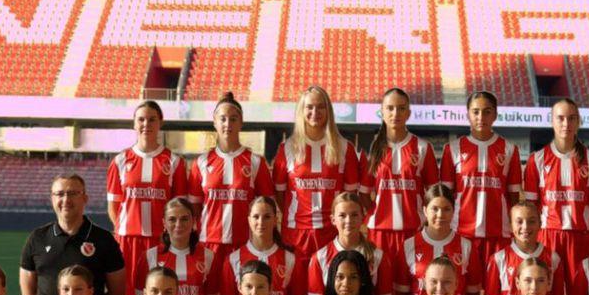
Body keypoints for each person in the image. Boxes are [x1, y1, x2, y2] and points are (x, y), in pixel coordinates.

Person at [107, 100, 188, 295]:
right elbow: (114, 207)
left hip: (160, 241)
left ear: (160, 123)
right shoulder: (120, 161)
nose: (146, 124)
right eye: (141, 119)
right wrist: (124, 232)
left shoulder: (174, 162)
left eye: (152, 119)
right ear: (134, 124)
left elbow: (179, 208)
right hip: (128, 242)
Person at [524, 98, 589, 295]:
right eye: (560, 118)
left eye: (571, 118)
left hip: (581, 238)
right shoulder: (537, 159)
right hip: (548, 237)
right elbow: (532, 207)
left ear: (578, 122)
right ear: (552, 121)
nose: (566, 124)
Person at [20, 173, 125, 295]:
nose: (66, 199)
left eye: (73, 193)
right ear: (52, 199)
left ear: (85, 198)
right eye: (60, 194)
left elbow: (117, 291)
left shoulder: (104, 239)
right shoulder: (37, 238)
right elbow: (28, 292)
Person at [273, 86, 362, 259]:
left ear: (328, 111)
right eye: (310, 107)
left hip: (332, 233)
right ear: (302, 110)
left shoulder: (345, 148)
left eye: (321, 107)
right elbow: (279, 194)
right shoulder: (287, 148)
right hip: (295, 234)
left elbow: (349, 196)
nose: (315, 112)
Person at [188, 92, 274, 260]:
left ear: (241, 122)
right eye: (223, 119)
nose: (228, 124)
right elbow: (194, 209)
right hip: (208, 244)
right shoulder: (201, 162)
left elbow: (267, 207)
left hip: (245, 244)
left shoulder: (256, 162)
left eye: (233, 119)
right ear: (214, 122)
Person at [440, 91, 522, 265]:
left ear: (495, 115)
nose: (481, 117)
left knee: (496, 282)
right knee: (462, 281)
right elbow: (446, 196)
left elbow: (514, 197)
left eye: (487, 112)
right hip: (462, 232)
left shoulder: (509, 149)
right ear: (468, 114)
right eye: (475, 112)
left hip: (499, 233)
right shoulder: (452, 149)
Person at [359, 88, 439, 265]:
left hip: (413, 231)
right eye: (390, 108)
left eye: (401, 108)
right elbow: (363, 194)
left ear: (408, 113)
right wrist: (378, 212)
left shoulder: (422, 148)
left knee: (411, 280)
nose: (395, 113)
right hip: (379, 232)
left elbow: (433, 194)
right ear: (382, 111)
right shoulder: (374, 149)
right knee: (380, 280)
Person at [393, 183, 482, 295]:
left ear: (453, 211)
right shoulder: (408, 246)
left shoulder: (467, 247)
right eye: (434, 209)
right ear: (425, 210)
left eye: (446, 209)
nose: (440, 215)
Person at [218, 196, 308, 295]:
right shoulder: (233, 260)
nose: (261, 222)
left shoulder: (291, 259)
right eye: (256, 217)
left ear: (275, 220)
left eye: (267, 217)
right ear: (249, 220)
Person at [133, 198, 218, 295]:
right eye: (172, 219)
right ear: (164, 223)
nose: (178, 224)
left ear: (193, 222)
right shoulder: (149, 256)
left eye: (184, 219)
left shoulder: (208, 256)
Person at [307, 192, 393, 295]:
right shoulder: (320, 258)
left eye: (354, 215)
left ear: (363, 218)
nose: (349, 221)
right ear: (333, 219)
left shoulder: (378, 257)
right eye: (342, 215)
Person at [484, 201, 565, 295]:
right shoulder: (498, 259)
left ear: (540, 224)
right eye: (519, 221)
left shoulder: (554, 259)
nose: (525, 227)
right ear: (510, 225)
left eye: (531, 221)